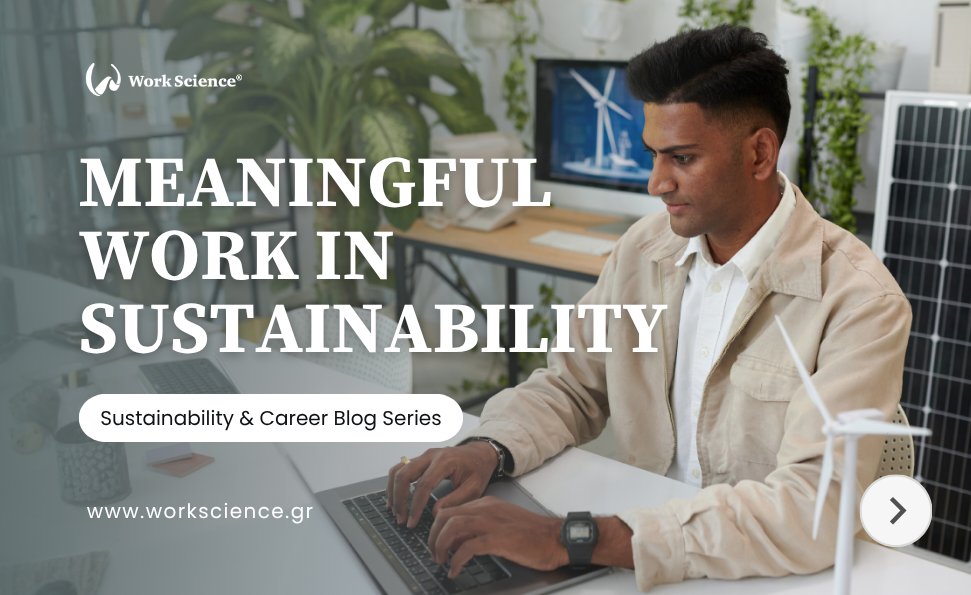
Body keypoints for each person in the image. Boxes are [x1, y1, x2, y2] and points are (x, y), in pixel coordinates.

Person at [386, 25, 911, 591]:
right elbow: (573, 385)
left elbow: (812, 507)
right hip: (642, 556)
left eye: (682, 158)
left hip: (763, 574)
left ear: (759, 153)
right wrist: (489, 447)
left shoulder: (860, 302)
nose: (657, 183)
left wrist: (573, 539)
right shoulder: (643, 248)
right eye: (654, 155)